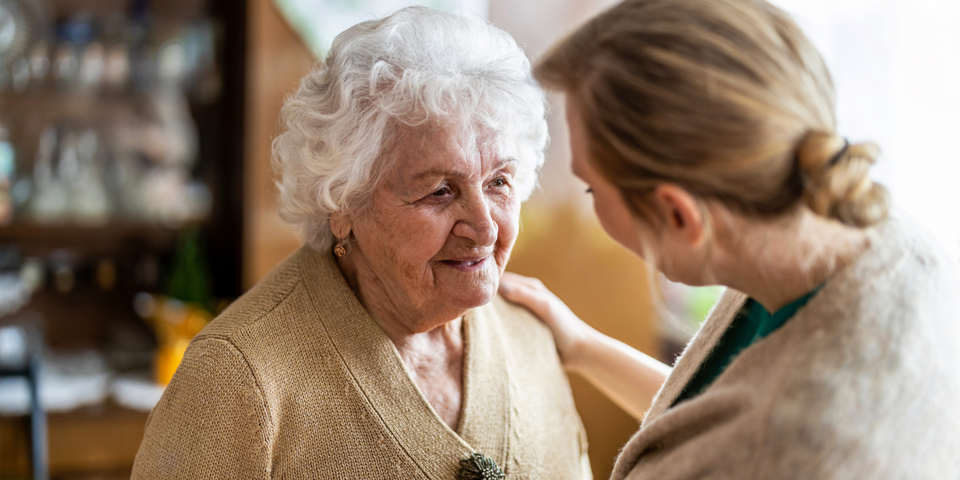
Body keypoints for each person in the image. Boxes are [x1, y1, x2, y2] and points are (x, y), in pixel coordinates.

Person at [499, 0, 960, 478]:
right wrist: (583, 347)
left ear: (678, 214)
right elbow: (717, 418)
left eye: (592, 187)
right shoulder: (869, 235)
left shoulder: (808, 446)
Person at [132, 7, 590, 479]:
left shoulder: (532, 340)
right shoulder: (236, 380)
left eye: (498, 182)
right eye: (439, 191)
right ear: (344, 203)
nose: (485, 228)